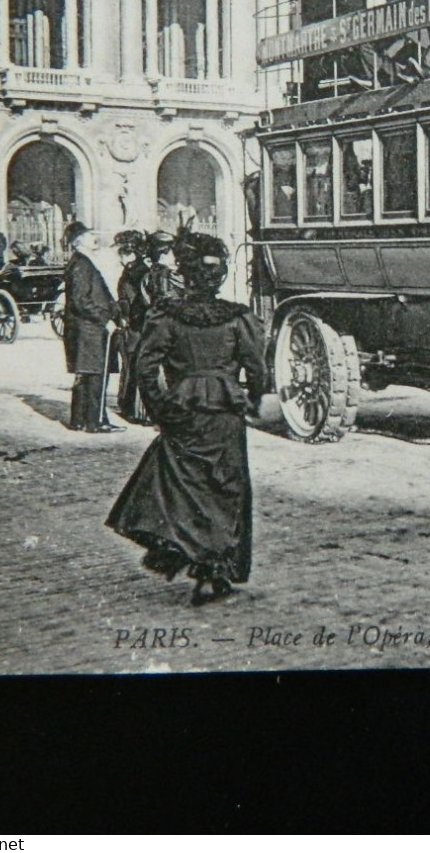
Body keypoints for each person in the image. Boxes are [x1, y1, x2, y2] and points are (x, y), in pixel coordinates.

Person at [107, 232, 268, 606]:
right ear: (219, 277)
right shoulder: (238, 317)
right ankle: (217, 567)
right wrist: (253, 398)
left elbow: (144, 369)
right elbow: (257, 368)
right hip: (225, 415)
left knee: (183, 486)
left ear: (185, 275)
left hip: (183, 413)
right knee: (226, 489)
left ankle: (188, 549)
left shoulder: (166, 317)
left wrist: (161, 408)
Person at [61, 222, 124, 433]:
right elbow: (81, 300)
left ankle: (79, 420)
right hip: (89, 329)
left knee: (87, 375)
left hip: (85, 329)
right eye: (89, 236)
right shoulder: (81, 264)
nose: (93, 237)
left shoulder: (81, 262)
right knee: (95, 375)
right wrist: (104, 319)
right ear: (78, 242)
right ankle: (95, 421)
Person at [113, 230, 151, 425]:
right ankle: (128, 406)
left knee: (135, 363)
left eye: (122, 253)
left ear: (132, 253)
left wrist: (125, 315)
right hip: (131, 324)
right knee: (130, 362)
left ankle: (137, 410)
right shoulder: (130, 270)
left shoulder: (139, 273)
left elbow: (139, 301)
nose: (119, 257)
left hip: (137, 325)